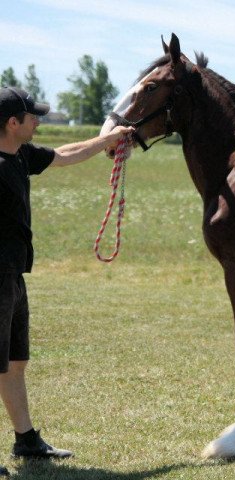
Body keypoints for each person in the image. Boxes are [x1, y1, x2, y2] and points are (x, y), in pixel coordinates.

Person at [0, 87, 133, 475]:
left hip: (12, 272)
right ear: (13, 123)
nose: (39, 122)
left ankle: (25, 440)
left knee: (14, 361)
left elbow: (66, 154)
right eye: (33, 117)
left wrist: (107, 139)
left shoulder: (21, 155)